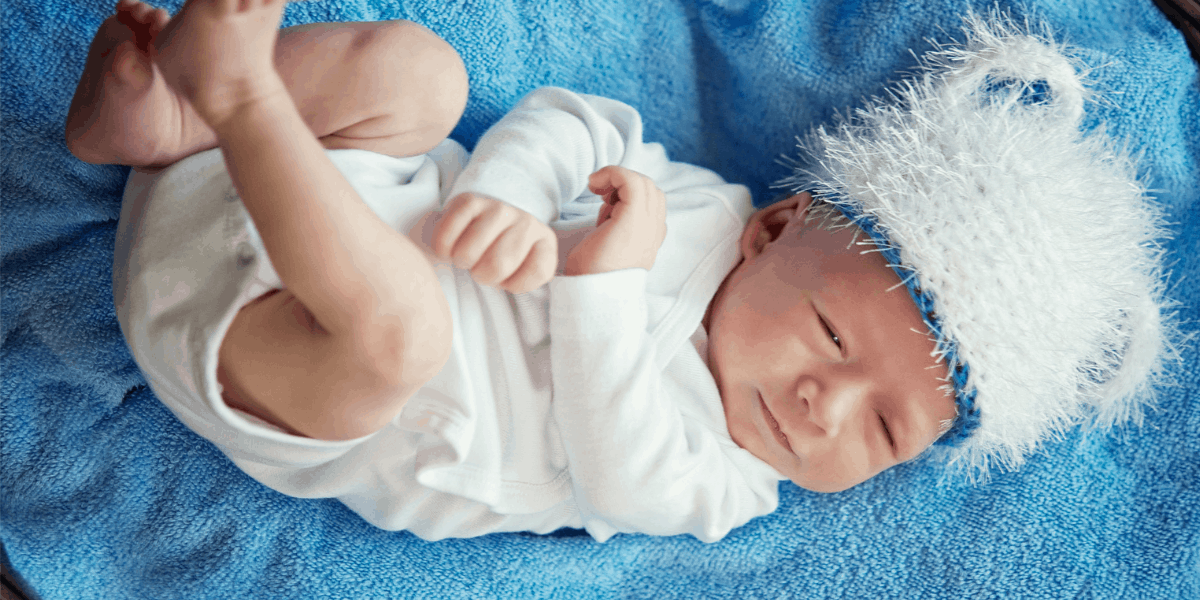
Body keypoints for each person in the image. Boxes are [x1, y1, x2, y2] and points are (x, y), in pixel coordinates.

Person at [68, 0, 1173, 542]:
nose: (822, 404)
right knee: (420, 73)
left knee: (403, 337)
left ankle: (236, 92)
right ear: (777, 228)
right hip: (303, 189)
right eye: (834, 339)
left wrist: (600, 284)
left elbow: (616, 464)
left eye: (883, 433)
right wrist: (503, 191)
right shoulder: (699, 209)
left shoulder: (727, 486)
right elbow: (573, 120)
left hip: (275, 366)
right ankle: (164, 122)